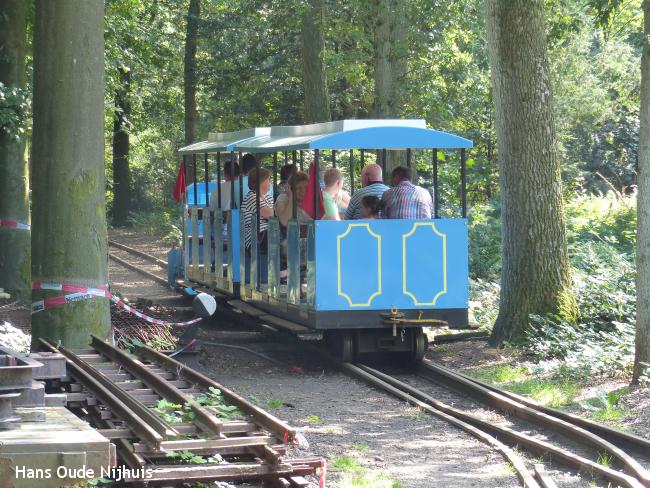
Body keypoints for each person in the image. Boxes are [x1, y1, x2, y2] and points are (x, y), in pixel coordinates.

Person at [242, 167, 274, 250]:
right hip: (257, 237)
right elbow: (271, 214)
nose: (270, 182)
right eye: (268, 180)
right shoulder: (252, 197)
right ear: (261, 181)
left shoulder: (268, 197)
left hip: (269, 233)